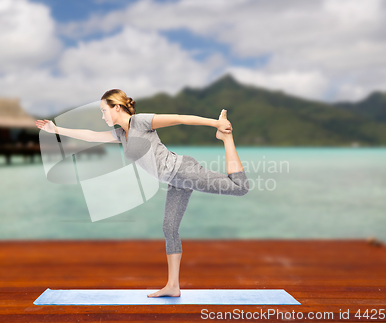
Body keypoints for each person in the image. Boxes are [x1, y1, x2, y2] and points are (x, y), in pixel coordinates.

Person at [35, 89, 249, 298]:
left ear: (116, 107)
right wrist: (56, 130)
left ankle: (226, 138)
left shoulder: (140, 122)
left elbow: (179, 118)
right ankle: (173, 286)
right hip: (175, 181)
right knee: (169, 228)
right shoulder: (122, 134)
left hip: (184, 170)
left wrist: (216, 123)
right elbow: (91, 136)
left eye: (103, 110)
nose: (102, 116)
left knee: (240, 187)